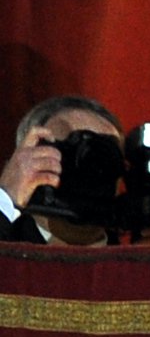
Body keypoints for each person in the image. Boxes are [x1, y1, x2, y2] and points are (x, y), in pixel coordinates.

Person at [1, 95, 136, 245]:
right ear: (22, 164)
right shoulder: (9, 240)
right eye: (69, 153)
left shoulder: (135, 261)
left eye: (105, 155)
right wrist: (6, 199)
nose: (92, 169)